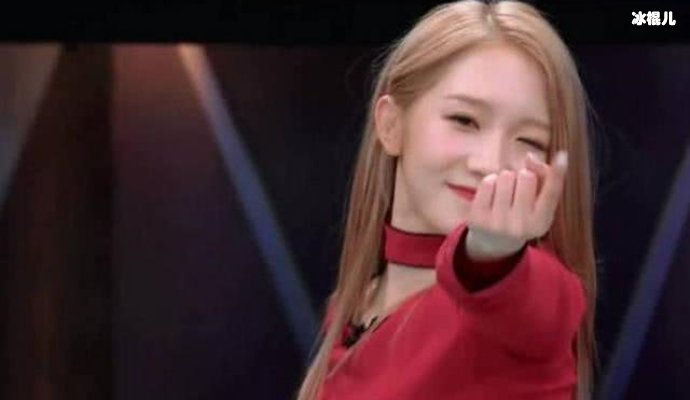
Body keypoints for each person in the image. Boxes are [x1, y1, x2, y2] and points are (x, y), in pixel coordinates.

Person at [296, 0, 597, 399]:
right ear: (390, 124)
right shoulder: (350, 306)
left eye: (529, 140)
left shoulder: (523, 307)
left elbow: (535, 305)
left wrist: (492, 258)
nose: (490, 164)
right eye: (464, 120)